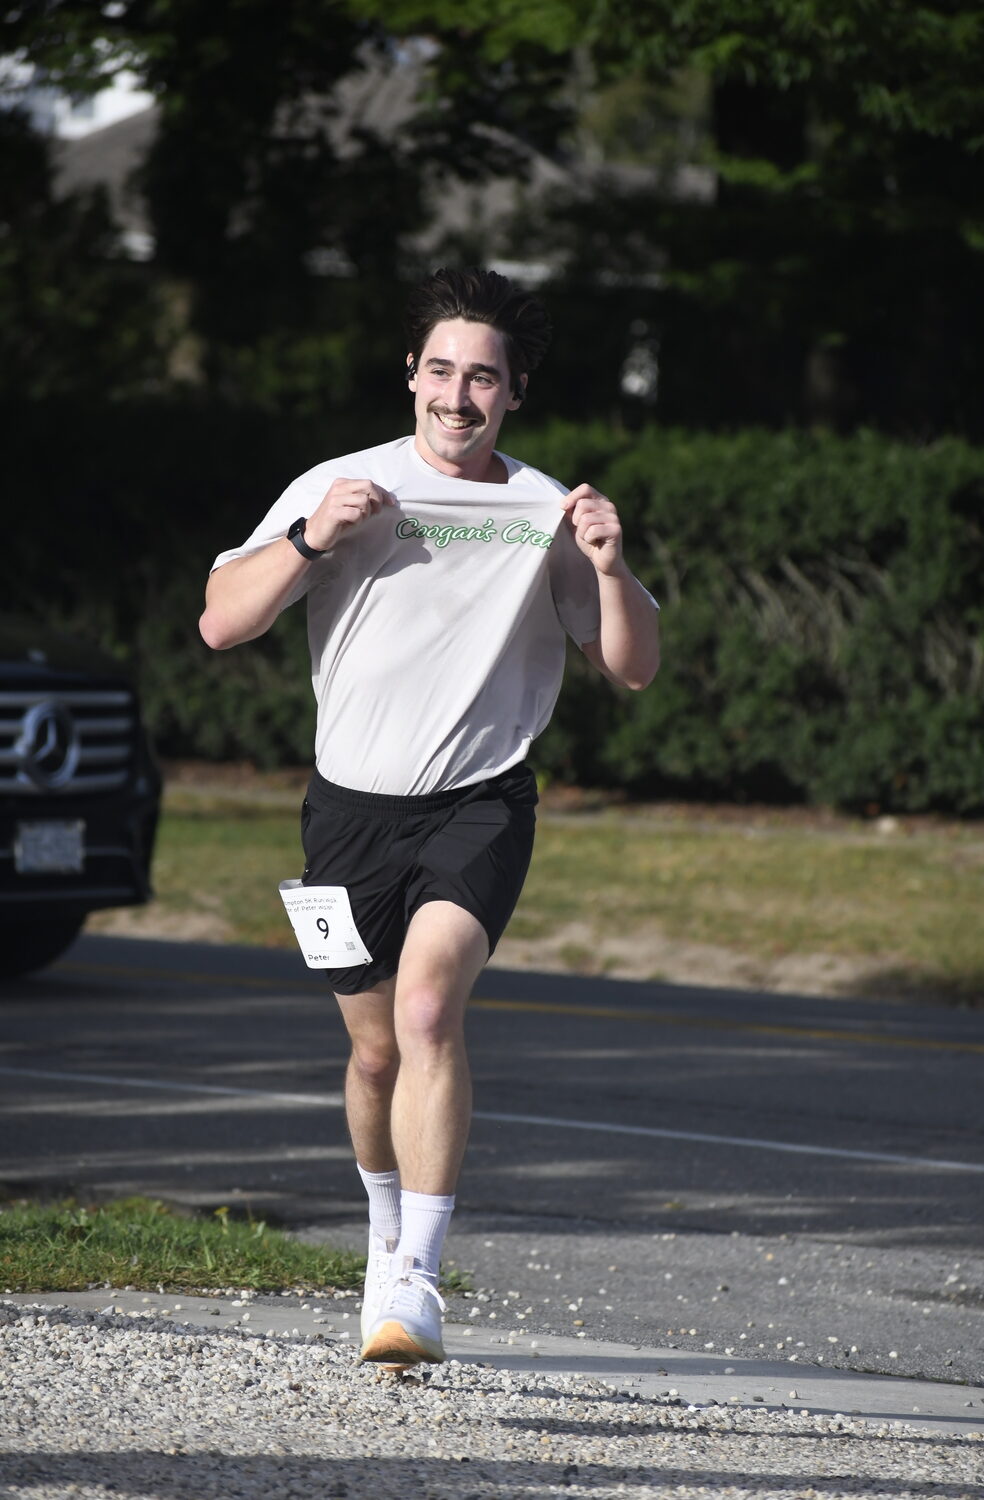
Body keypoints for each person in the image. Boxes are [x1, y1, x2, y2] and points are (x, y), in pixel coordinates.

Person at [199, 266, 660, 1369]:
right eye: (442, 370)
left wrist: (610, 567)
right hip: (345, 816)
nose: (459, 396)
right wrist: (309, 538)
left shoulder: (545, 510)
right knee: (372, 1059)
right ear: (411, 372)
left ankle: (418, 1276)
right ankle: (382, 1234)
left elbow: (634, 666)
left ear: (515, 392)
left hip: (479, 804)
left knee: (425, 1014)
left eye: (483, 378)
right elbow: (219, 623)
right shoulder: (339, 483)